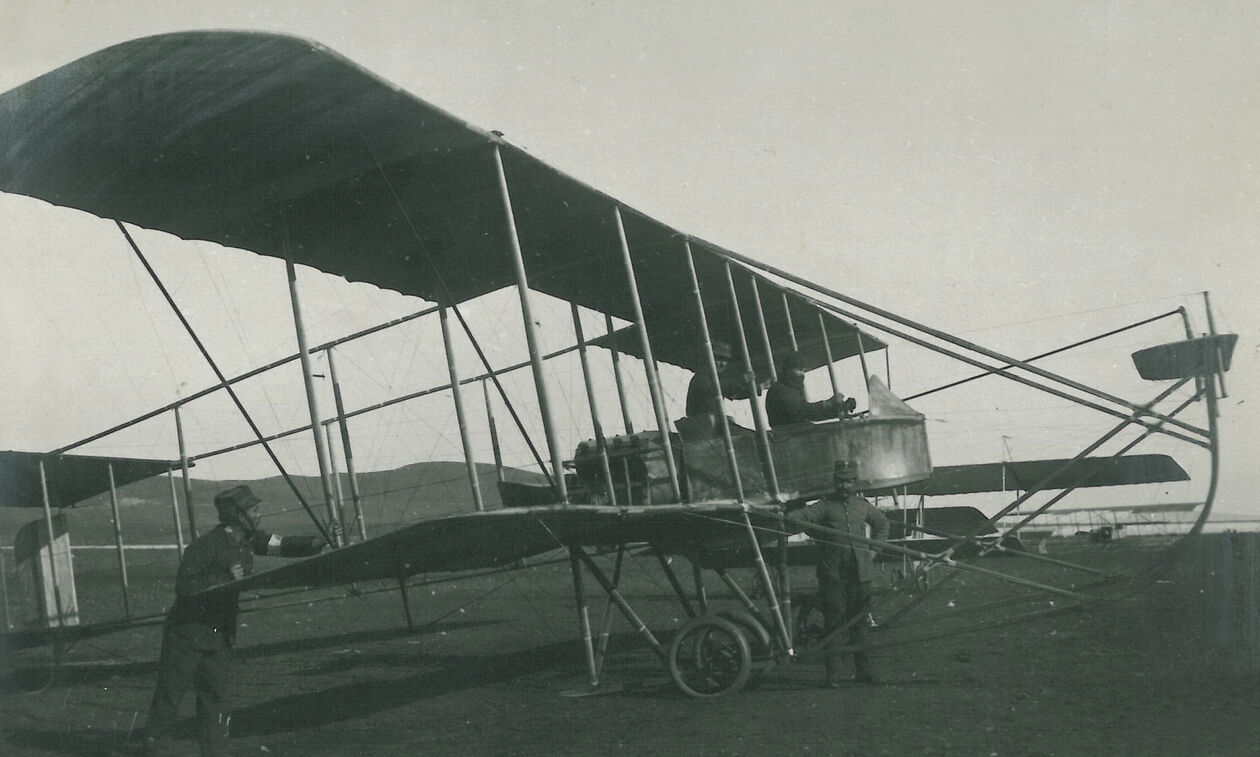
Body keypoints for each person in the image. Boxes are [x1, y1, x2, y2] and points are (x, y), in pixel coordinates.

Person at [144, 485, 328, 756]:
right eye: (255, 510)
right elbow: (184, 586)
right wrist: (224, 578)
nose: (260, 514)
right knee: (170, 698)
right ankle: (155, 751)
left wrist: (320, 541)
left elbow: (282, 545)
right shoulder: (206, 546)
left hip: (219, 636)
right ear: (239, 516)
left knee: (215, 699)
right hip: (186, 634)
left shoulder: (249, 541)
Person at [788, 460, 889, 687]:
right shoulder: (824, 506)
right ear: (834, 482)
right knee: (834, 623)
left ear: (855, 483)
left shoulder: (862, 506)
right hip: (833, 576)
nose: (845, 486)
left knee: (860, 623)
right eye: (841, 481)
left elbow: (882, 524)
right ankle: (833, 674)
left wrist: (874, 551)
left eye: (849, 482)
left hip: (860, 576)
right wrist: (804, 524)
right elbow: (800, 517)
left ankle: (864, 671)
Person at [766, 350, 855, 428]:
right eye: (799, 370)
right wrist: (828, 403)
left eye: (804, 371)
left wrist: (840, 408)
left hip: (795, 434)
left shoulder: (792, 389)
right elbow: (801, 411)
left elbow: (810, 415)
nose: (802, 374)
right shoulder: (779, 389)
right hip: (785, 438)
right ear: (788, 370)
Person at [684, 340, 753, 422]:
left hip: (710, 422)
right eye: (719, 360)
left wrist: (759, 387)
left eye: (725, 360)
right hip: (701, 424)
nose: (723, 364)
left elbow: (734, 394)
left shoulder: (715, 378)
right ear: (710, 359)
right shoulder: (701, 376)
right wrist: (742, 380)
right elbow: (713, 390)